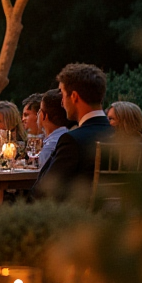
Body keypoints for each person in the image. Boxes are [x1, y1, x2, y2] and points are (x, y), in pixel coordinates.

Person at [34, 63, 113, 201]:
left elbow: (44, 191)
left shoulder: (73, 141)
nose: (62, 103)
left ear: (74, 96)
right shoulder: (127, 139)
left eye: (63, 95)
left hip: (75, 220)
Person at [36, 89, 69, 171]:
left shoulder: (50, 147)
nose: (37, 114)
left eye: (39, 110)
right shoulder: (68, 136)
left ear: (44, 116)